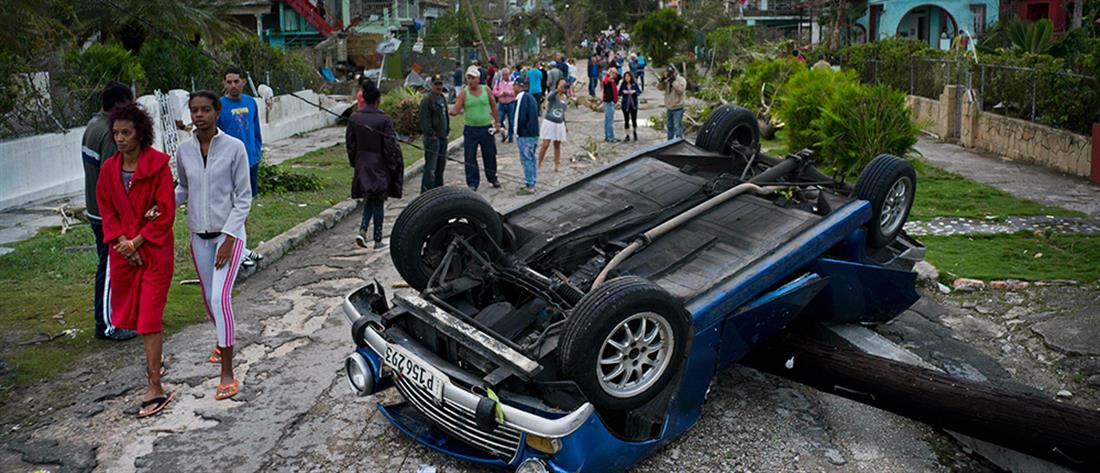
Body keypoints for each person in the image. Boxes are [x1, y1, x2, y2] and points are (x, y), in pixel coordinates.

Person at [96, 101, 176, 417]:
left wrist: (138, 242)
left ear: (140, 133)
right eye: (116, 133)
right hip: (124, 255)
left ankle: (154, 384)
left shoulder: (157, 167)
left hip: (154, 253)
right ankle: (155, 366)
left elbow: (164, 211)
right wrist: (122, 243)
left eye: (126, 133)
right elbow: (108, 210)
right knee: (133, 315)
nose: (120, 139)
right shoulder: (108, 171)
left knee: (150, 318)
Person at [175, 90, 252, 402]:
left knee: (220, 298)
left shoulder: (235, 149)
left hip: (228, 237)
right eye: (194, 110)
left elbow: (244, 196)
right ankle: (222, 340)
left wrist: (230, 237)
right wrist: (161, 207)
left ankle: (227, 371)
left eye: (206, 109)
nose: (199, 115)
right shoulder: (183, 151)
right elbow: (183, 187)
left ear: (217, 112)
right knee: (209, 298)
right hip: (199, 237)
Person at [82, 81, 138, 342]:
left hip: (97, 211)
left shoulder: (92, 126)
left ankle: (120, 317)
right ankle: (106, 325)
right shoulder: (108, 132)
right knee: (109, 269)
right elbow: (112, 177)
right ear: (118, 105)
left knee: (113, 267)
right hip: (107, 215)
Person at [348, 81, 404, 248]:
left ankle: (362, 231)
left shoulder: (354, 118)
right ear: (378, 99)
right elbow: (390, 145)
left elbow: (350, 144)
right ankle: (378, 239)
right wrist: (392, 166)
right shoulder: (384, 119)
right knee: (378, 200)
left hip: (362, 163)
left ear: (363, 98)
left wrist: (355, 162)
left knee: (370, 198)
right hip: (379, 164)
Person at [217, 67, 263, 268]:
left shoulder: (250, 103)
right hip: (228, 166)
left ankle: (243, 246)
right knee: (233, 207)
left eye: (236, 81)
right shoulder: (218, 106)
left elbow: (256, 131)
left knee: (245, 205)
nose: (233, 86)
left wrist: (257, 153)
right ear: (224, 84)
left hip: (250, 162)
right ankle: (236, 249)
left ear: (243, 82)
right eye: (229, 82)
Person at [450, 65, 502, 191]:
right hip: (471, 129)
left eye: (473, 78)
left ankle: (492, 177)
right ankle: (473, 182)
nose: (471, 81)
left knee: (489, 154)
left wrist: (497, 123)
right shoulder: (464, 93)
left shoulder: (486, 90)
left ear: (478, 78)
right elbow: (456, 110)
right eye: (469, 78)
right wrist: (448, 110)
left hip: (486, 128)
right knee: (470, 156)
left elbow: (494, 106)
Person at [419, 74, 450, 192]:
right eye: (436, 84)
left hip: (443, 138)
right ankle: (426, 192)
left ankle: (439, 191)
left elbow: (446, 116)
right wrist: (432, 136)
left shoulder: (442, 98)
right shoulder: (427, 101)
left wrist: (446, 132)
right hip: (433, 140)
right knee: (430, 168)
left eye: (440, 84)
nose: (438, 86)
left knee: (440, 168)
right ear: (431, 85)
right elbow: (425, 122)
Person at [511, 76, 540, 194]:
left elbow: (519, 117)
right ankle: (533, 180)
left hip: (525, 134)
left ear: (519, 86)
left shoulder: (521, 98)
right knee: (532, 158)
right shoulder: (531, 97)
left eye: (514, 85)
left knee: (526, 159)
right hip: (534, 133)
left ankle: (530, 184)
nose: (513, 87)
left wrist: (516, 132)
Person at [537, 79, 569, 173]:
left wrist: (565, 125)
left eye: (564, 84)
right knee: (545, 144)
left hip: (559, 123)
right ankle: (539, 164)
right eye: (561, 84)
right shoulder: (553, 95)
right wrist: (557, 90)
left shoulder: (565, 97)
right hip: (549, 122)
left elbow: (563, 113)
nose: (563, 86)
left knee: (557, 145)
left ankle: (557, 164)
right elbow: (549, 98)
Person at [658, 65, 687, 140]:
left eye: (671, 72)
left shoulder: (681, 80)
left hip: (678, 107)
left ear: (675, 72)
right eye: (668, 72)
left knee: (677, 127)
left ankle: (678, 141)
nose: (670, 74)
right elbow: (659, 88)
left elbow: (681, 90)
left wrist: (673, 81)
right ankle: (669, 142)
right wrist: (662, 81)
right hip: (669, 107)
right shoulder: (668, 80)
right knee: (669, 126)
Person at [492, 67, 517, 143]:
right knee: (500, 120)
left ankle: (510, 136)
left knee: (511, 121)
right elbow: (494, 91)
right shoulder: (498, 82)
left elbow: (515, 91)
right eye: (503, 75)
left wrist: (508, 93)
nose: (505, 76)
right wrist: (501, 93)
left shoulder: (513, 81)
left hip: (511, 103)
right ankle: (503, 133)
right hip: (502, 104)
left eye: (506, 75)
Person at [619, 71, 641, 142]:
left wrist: (634, 91)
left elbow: (639, 92)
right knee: (626, 120)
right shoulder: (623, 84)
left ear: (631, 77)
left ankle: (635, 132)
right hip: (625, 105)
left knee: (634, 120)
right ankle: (627, 135)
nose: (627, 78)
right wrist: (623, 92)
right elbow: (619, 93)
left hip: (633, 105)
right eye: (626, 76)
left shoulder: (634, 84)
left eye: (628, 76)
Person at [601, 67, 619, 142]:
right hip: (608, 102)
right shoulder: (607, 78)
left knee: (607, 120)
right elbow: (605, 81)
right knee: (610, 121)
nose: (616, 75)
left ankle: (607, 136)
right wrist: (609, 75)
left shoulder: (612, 80)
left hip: (610, 102)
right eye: (615, 73)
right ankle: (610, 137)